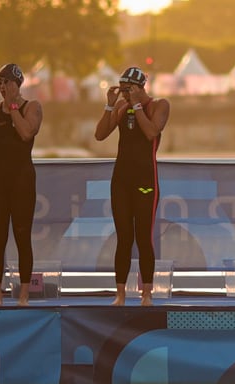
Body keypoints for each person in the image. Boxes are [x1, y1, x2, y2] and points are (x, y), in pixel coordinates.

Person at [94, 66, 170, 306]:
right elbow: (99, 135)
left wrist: (137, 105)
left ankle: (146, 293)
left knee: (143, 237)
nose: (125, 94)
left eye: (128, 90)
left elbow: (151, 133)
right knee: (124, 237)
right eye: (123, 89)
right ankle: (120, 293)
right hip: (122, 180)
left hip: (145, 179)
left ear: (140, 88)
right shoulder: (120, 107)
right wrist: (109, 105)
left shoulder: (159, 105)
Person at [0, 63, 43, 307]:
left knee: (22, 235)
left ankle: (23, 295)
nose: (3, 88)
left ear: (17, 84)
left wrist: (13, 106)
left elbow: (26, 133)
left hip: (22, 178)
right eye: (0, 83)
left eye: (7, 83)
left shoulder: (31, 106)